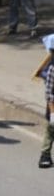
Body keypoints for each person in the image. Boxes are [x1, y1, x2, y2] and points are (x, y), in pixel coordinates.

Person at [36, 33, 54, 169]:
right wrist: (52, 111)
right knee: (50, 128)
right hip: (53, 104)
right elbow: (49, 93)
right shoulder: (52, 68)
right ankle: (45, 155)